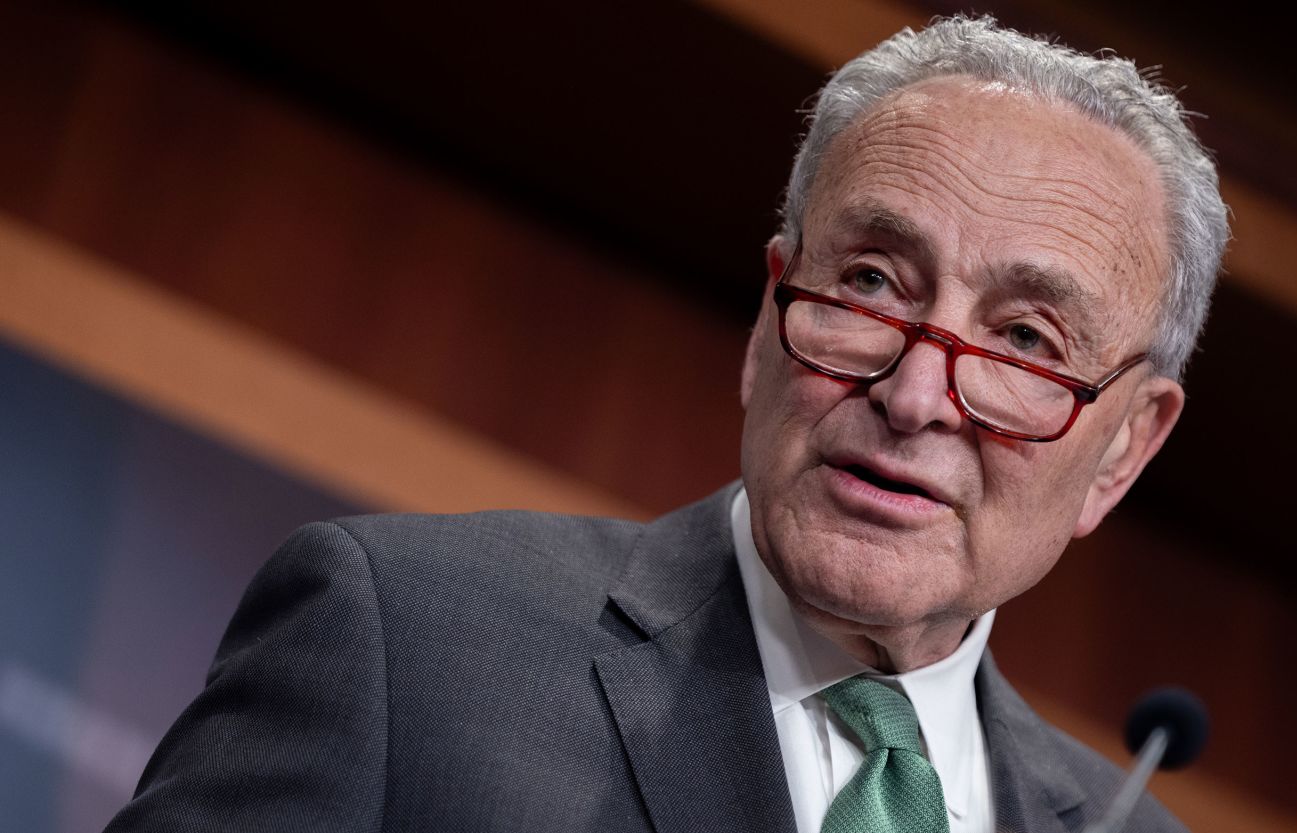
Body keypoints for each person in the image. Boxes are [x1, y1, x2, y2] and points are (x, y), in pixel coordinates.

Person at [105, 14, 1227, 833]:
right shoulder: (405, 644)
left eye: (1026, 341)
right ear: (767, 314)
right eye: (875, 283)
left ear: (1122, 447)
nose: (914, 394)